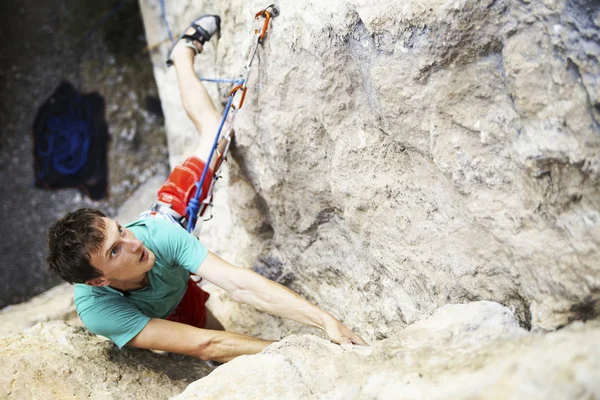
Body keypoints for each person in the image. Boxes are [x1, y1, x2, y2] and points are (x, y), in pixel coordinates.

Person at [47, 15, 367, 363]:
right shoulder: (99, 311)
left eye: (120, 230)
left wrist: (324, 322)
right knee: (209, 343)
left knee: (216, 131)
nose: (132, 242)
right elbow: (203, 343)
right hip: (159, 308)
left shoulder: (155, 234)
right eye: (113, 251)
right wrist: (295, 352)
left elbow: (239, 284)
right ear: (98, 281)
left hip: (170, 229)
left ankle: (183, 54)